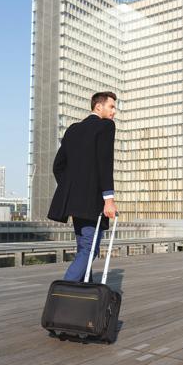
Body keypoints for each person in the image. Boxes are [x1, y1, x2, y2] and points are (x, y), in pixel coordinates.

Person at [47, 91, 118, 283]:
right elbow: (105, 163)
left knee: (83, 247)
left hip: (74, 202)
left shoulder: (73, 129)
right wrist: (109, 199)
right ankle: (64, 290)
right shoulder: (106, 126)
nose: (114, 112)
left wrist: (72, 188)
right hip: (92, 201)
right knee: (89, 249)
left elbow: (58, 166)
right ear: (98, 106)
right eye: (111, 107)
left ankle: (83, 290)